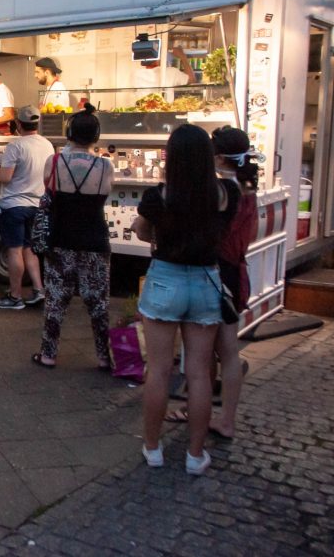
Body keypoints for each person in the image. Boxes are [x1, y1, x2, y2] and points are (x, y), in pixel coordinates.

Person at [133, 124, 240, 475]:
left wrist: (156, 233)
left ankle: (152, 448)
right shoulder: (225, 194)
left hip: (165, 279)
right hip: (206, 281)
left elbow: (142, 230)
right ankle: (195, 455)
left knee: (159, 371)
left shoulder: (158, 196)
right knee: (199, 374)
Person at [31, 104, 114, 368]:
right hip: (95, 241)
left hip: (60, 240)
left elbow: (48, 187)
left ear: (68, 133)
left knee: (56, 300)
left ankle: (48, 354)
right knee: (98, 304)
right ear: (96, 136)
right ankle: (103, 356)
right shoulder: (105, 167)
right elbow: (104, 194)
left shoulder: (54, 163)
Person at [208, 126, 261, 439]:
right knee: (228, 351)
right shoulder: (248, 190)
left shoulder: (222, 192)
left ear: (218, 156)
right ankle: (225, 417)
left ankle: (208, 413)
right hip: (236, 273)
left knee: (207, 352)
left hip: (218, 274)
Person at [0, 105, 55, 310]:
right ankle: (38, 290)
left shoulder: (16, 146)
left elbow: (5, 177)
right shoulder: (48, 145)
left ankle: (15, 296)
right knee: (31, 249)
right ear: (37, 123)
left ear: (18, 123)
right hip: (37, 205)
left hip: (13, 205)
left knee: (15, 250)